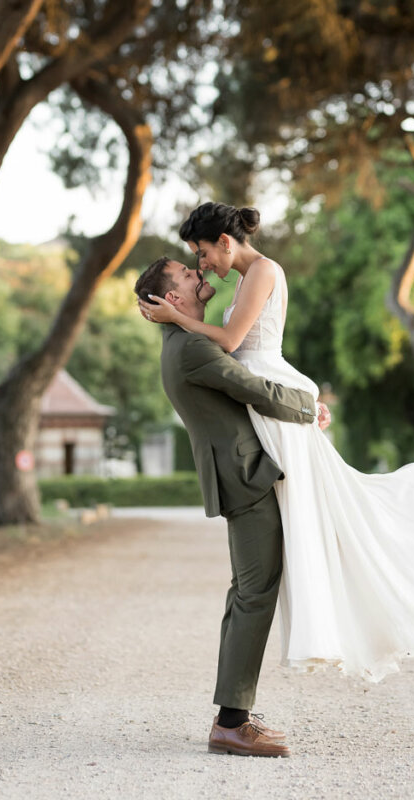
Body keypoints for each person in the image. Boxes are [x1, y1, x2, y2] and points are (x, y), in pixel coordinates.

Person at [139, 202, 414, 690]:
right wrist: (303, 405)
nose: (202, 265)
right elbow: (230, 358)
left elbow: (228, 341)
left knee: (300, 538)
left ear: (225, 242)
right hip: (268, 408)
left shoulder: (261, 272)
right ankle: (240, 707)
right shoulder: (222, 305)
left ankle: (246, 700)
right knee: (275, 561)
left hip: (271, 403)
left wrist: (304, 406)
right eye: (191, 264)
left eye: (201, 254)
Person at [133, 257, 327, 758]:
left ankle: (233, 714)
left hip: (241, 476)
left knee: (247, 590)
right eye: (189, 274)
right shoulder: (193, 348)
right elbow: (253, 391)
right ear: (172, 298)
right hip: (247, 481)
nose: (202, 275)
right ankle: (232, 723)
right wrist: (309, 408)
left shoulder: (185, 340)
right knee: (255, 593)